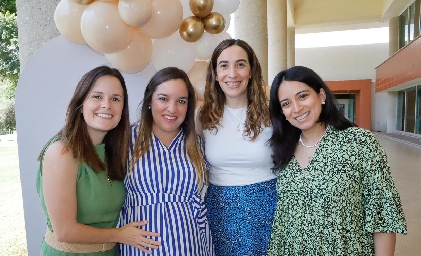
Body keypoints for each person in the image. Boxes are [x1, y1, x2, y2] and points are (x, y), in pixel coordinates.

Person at [266, 66, 407, 255]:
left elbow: (383, 215)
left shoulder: (359, 142)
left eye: (302, 96)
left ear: (321, 95)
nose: (297, 108)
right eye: (286, 103)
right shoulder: (284, 151)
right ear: (281, 112)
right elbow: (283, 224)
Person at [36, 66, 161, 255]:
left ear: (122, 109)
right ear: (80, 103)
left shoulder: (116, 151)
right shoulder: (62, 152)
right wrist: (120, 235)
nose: (106, 105)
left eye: (115, 99)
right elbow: (64, 231)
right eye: (97, 96)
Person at [118, 67, 214, 255]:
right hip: (139, 248)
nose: (172, 108)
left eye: (181, 101)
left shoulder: (198, 145)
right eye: (163, 98)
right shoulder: (125, 141)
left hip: (190, 245)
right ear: (149, 100)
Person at [196, 39, 277, 255]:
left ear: (251, 71)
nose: (232, 74)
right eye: (224, 65)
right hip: (220, 209)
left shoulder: (272, 113)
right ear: (215, 73)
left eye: (240, 64)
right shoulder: (202, 117)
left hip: (268, 206)